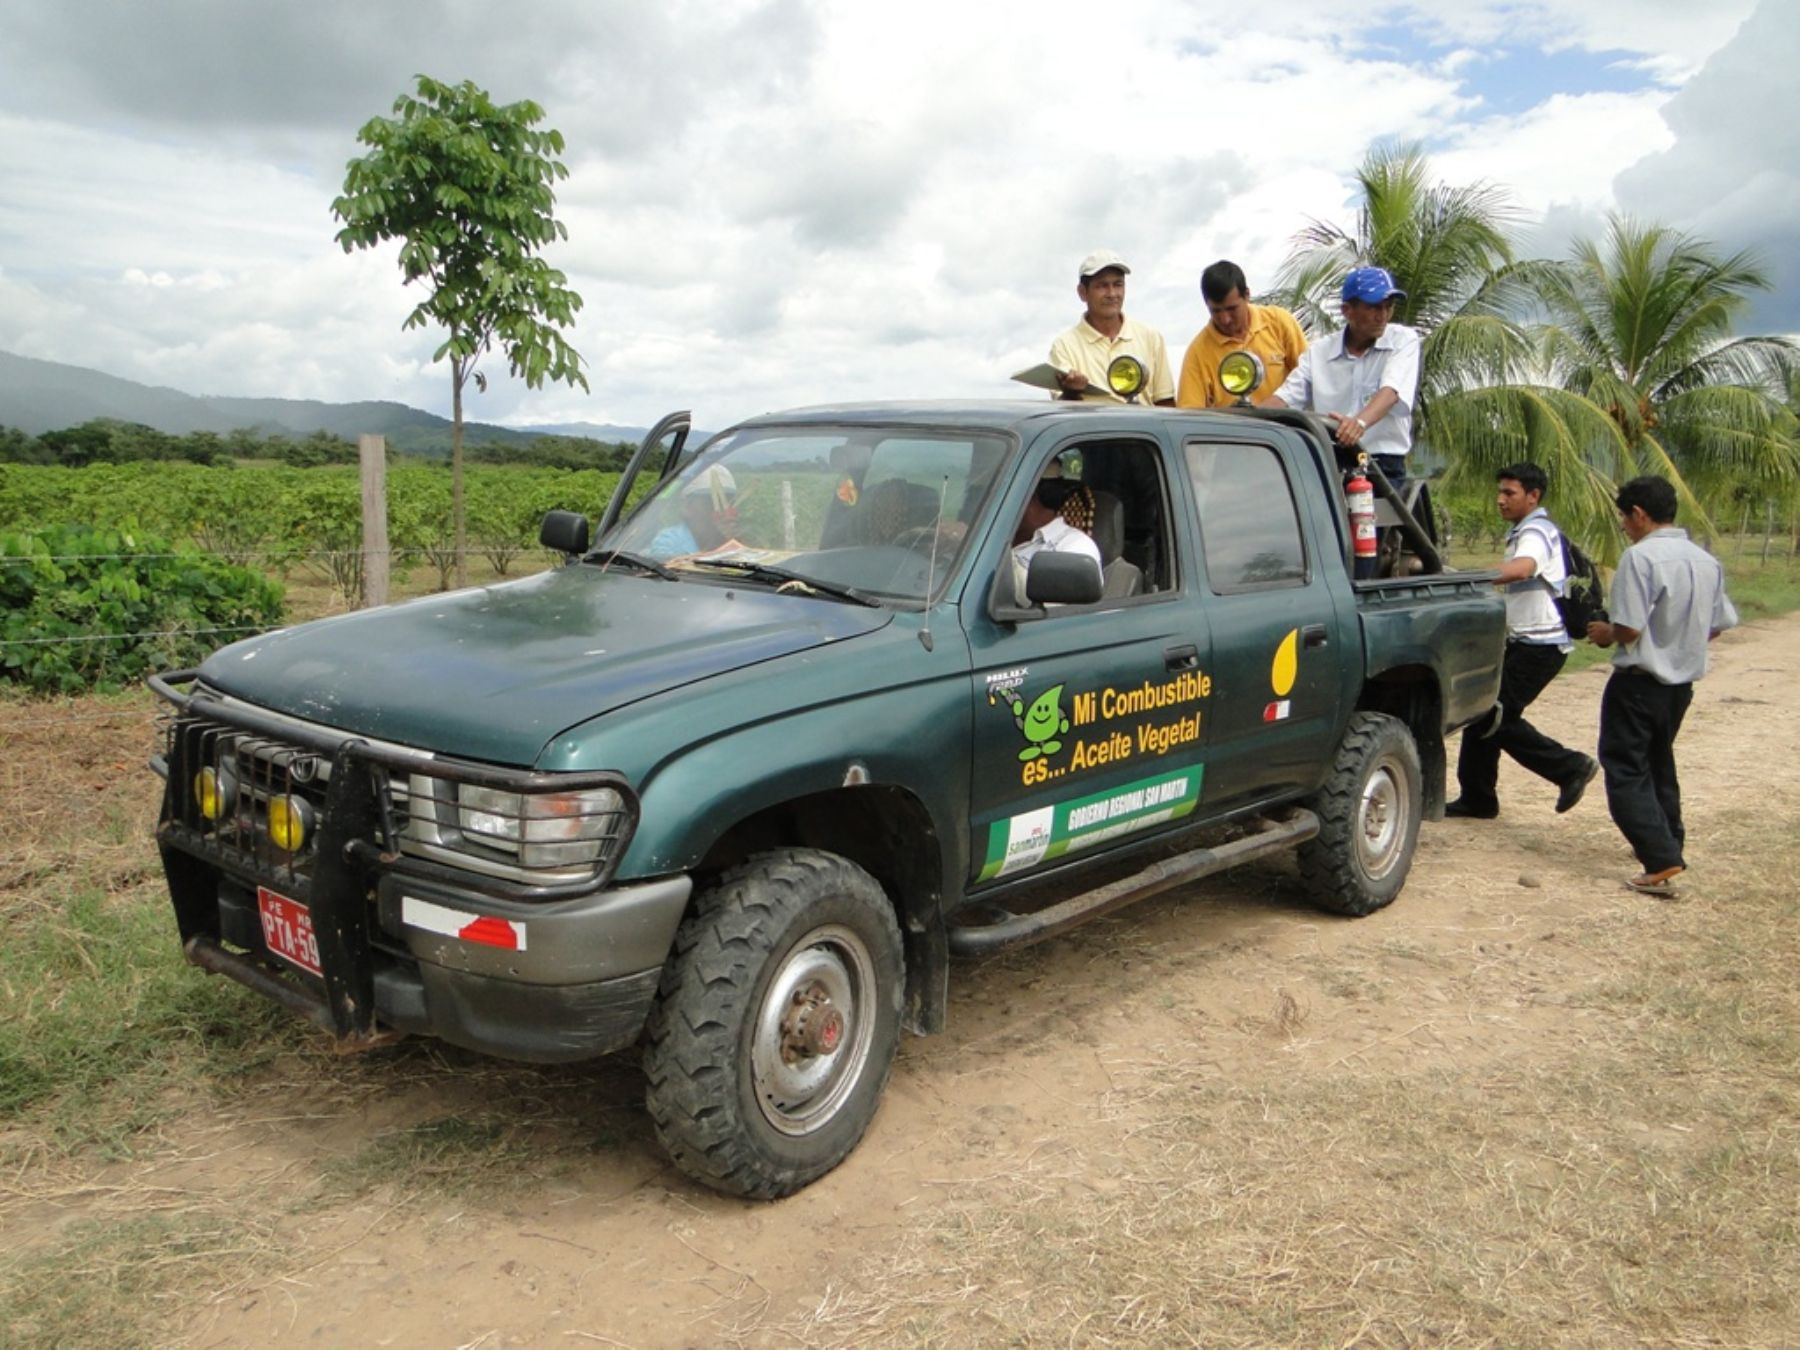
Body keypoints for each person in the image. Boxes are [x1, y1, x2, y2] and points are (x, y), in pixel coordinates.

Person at [1586, 476, 1738, 896]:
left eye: (1623, 516)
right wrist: (1678, 642)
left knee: (1624, 767)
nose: (1623, 525)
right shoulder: (1704, 559)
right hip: (1680, 685)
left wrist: (1604, 632)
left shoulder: (1640, 558)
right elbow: (1717, 626)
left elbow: (1629, 627)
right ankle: (1670, 840)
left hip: (1639, 681)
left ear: (1639, 514)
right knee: (1658, 762)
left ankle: (1659, 857)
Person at [1446, 463, 1598, 820]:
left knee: (1495, 715)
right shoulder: (1525, 529)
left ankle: (1570, 767)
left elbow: (1522, 569)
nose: (1500, 500)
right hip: (1524, 643)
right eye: (1499, 492)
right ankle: (1478, 797)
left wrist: (1467, 578)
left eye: (1509, 493)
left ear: (1534, 496)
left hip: (1540, 647)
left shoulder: (1536, 531)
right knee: (1483, 713)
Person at [1267, 266, 1420, 489]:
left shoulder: (1403, 339)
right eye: (1374, 307)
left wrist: (1358, 424)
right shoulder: (1319, 351)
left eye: (1388, 307)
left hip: (1382, 465)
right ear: (1347, 311)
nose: (1383, 316)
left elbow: (1391, 392)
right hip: (1330, 461)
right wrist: (1243, 420)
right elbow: (1286, 398)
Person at [1176, 260, 1308, 408]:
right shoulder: (1197, 352)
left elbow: (1308, 376)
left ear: (1246, 295)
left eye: (1232, 309)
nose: (1225, 319)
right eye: (1216, 311)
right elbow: (1189, 413)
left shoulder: (1279, 322)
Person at [1049, 251, 1176, 405]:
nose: (1112, 294)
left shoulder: (1151, 337)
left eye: (1118, 284)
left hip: (1143, 428)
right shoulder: (1064, 346)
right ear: (1082, 292)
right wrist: (1071, 392)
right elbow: (1060, 412)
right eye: (1102, 286)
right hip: (1092, 428)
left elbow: (1166, 402)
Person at [1012, 475, 1102, 599]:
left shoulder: (1077, 546)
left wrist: (1006, 563)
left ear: (1044, 497)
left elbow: (1054, 608)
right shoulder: (994, 538)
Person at [648, 465, 737, 557]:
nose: (721, 512)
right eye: (710, 503)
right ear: (687, 506)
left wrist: (731, 542)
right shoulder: (669, 541)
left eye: (728, 502)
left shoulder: (732, 539)